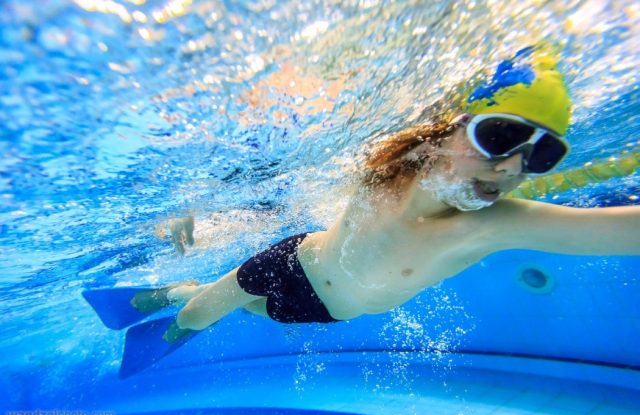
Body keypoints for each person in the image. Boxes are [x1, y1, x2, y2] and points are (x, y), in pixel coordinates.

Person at [83, 46, 640, 377]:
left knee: (237, 308)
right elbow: (264, 159)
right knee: (200, 316)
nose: (514, 167)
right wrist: (191, 203)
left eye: (542, 155)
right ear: (445, 130)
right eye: (500, 136)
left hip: (322, 310)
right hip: (288, 262)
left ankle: (170, 292)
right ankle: (167, 319)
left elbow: (619, 232)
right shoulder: (388, 167)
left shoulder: (490, 224)